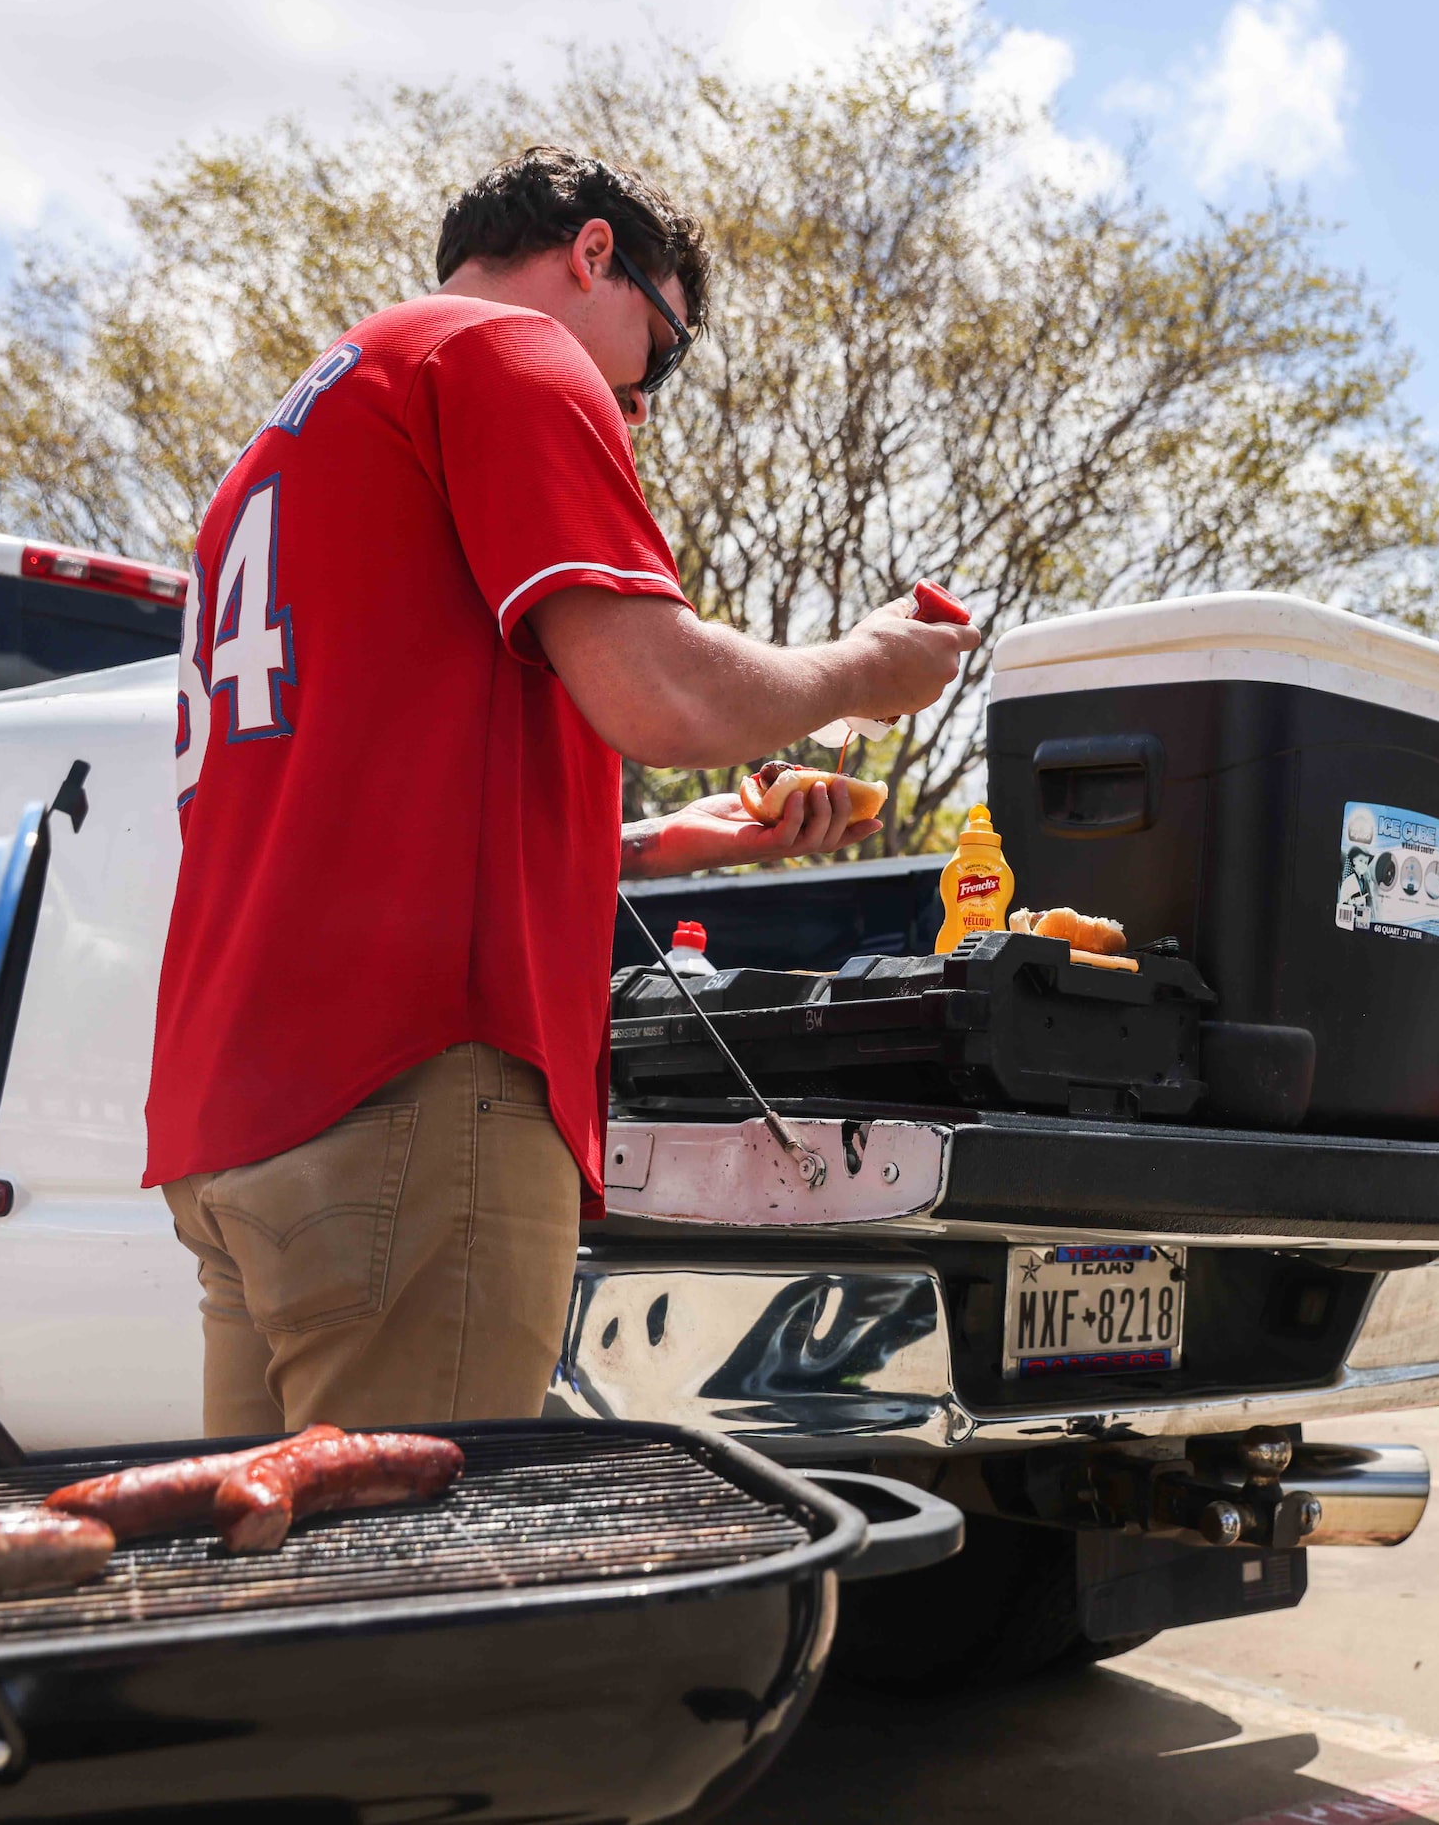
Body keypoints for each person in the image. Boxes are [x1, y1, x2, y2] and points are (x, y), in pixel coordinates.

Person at [144, 146, 980, 1438]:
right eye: (665, 345)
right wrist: (866, 666)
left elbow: (368, 799)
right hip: (407, 1100)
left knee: (271, 1598)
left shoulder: (290, 437)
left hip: (240, 1117)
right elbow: (665, 695)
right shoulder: (506, 356)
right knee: (408, 1607)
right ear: (594, 255)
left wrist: (660, 844)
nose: (642, 402)